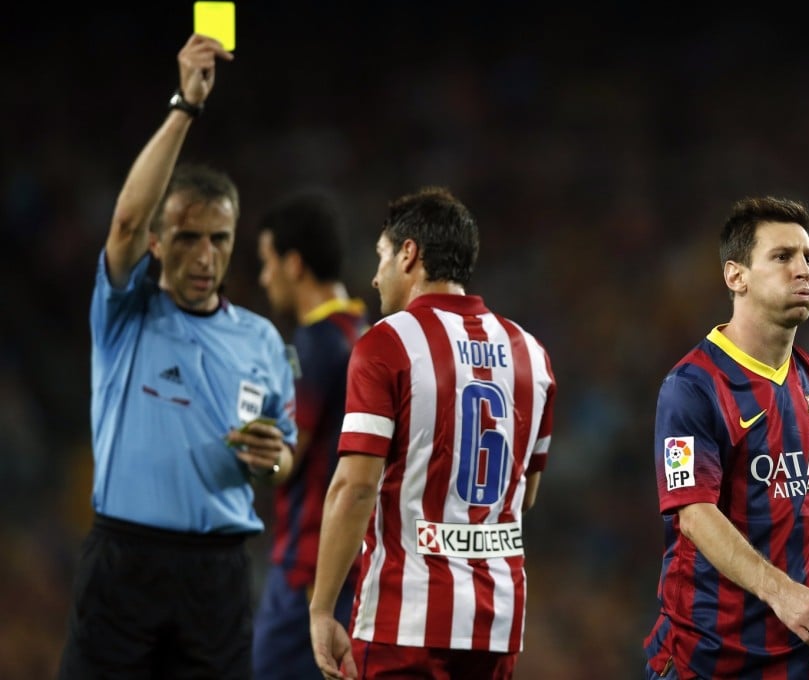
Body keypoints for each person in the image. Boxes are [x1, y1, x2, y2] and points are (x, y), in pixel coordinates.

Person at [58, 34, 298, 679]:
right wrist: (184, 107)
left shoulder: (262, 342)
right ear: (159, 244)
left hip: (216, 575)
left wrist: (277, 458)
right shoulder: (124, 314)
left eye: (218, 239)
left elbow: (288, 453)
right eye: (187, 238)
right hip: (123, 564)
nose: (204, 255)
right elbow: (124, 222)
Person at [308, 186, 557, 680]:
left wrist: (321, 608)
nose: (375, 278)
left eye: (381, 257)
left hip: (405, 619)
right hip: (497, 620)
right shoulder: (533, 354)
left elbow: (355, 487)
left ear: (409, 254)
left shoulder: (385, 343)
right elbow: (525, 494)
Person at [643, 196, 809, 680]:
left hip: (803, 655)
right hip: (711, 658)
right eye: (782, 257)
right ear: (736, 276)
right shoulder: (692, 386)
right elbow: (694, 515)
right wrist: (783, 593)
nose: (803, 270)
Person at [253, 190, 370, 678]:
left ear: (294, 263)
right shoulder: (366, 334)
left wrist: (251, 448)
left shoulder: (311, 343)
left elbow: (288, 458)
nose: (264, 278)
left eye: (267, 262)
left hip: (309, 567)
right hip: (357, 563)